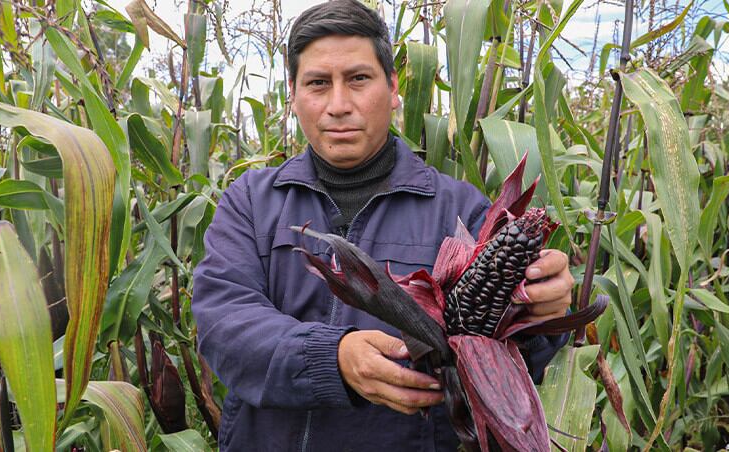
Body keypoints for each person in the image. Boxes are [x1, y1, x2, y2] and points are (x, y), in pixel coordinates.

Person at [192, 1, 574, 450]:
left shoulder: (462, 211)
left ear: (393, 88)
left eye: (358, 79)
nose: (338, 105)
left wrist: (543, 312)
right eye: (318, 83)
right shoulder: (251, 202)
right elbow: (224, 324)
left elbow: (506, 361)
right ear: (292, 94)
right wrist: (333, 359)